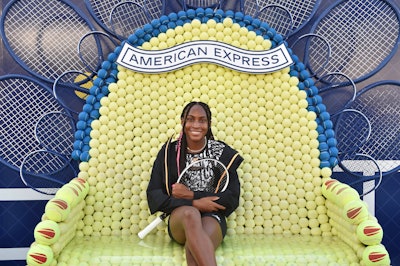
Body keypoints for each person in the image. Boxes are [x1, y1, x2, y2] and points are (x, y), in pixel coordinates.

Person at [146, 101, 243, 266]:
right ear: (182, 121)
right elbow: (154, 196)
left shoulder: (221, 153)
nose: (196, 125)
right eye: (190, 119)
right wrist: (194, 203)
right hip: (180, 219)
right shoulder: (169, 152)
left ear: (209, 124)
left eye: (202, 120)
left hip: (212, 218)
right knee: (191, 214)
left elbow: (231, 198)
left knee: (196, 247)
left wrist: (192, 195)